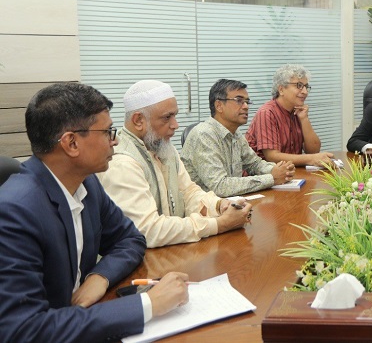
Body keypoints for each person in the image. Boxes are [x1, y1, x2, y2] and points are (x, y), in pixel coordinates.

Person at [0, 83, 189, 342]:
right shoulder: (14, 211)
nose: (116, 141)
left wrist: (100, 276)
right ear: (72, 143)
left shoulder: (86, 183)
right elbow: (23, 330)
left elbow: (131, 239)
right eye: (108, 132)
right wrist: (147, 304)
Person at [99, 80, 253, 248]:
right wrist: (219, 224)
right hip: (144, 260)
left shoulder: (163, 146)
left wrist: (219, 205)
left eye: (175, 116)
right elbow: (148, 231)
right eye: (167, 117)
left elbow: (189, 193)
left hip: (173, 250)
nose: (175, 125)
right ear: (138, 120)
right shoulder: (122, 162)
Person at [181, 79, 295, 197]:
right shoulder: (203, 134)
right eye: (239, 101)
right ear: (219, 105)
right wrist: (272, 178)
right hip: (204, 206)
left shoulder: (235, 133)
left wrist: (279, 170)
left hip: (231, 202)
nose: (246, 106)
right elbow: (220, 186)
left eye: (247, 102)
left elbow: (254, 164)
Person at [246, 64, 333, 167]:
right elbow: (272, 157)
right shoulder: (267, 112)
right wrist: (311, 159)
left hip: (291, 172)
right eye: (299, 86)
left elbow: (314, 151)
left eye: (306, 87)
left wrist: (304, 119)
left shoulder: (297, 110)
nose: (305, 92)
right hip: (264, 174)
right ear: (281, 89)